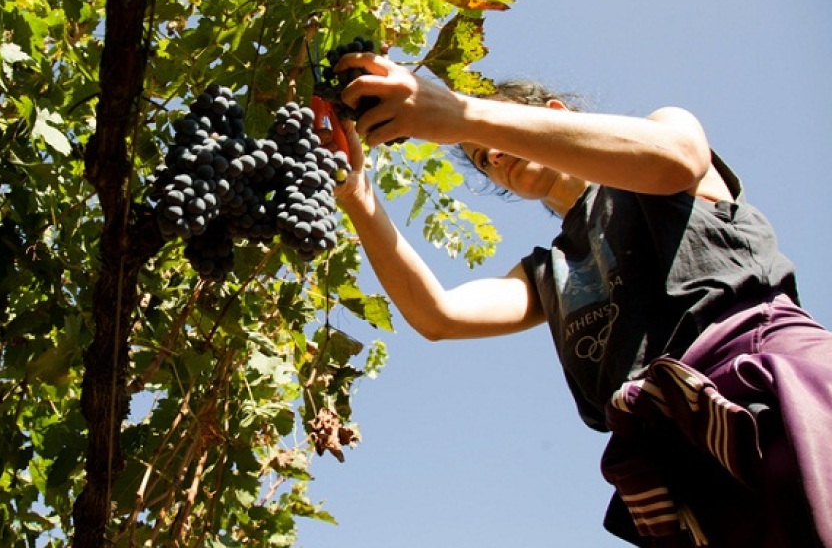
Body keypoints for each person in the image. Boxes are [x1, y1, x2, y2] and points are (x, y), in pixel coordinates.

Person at [328, 51, 832, 547]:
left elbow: (677, 160)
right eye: (483, 161)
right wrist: (357, 192)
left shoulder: (662, 132)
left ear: (553, 116)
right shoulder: (551, 270)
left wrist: (464, 116)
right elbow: (439, 315)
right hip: (683, 472)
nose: (494, 158)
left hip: (765, 385)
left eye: (491, 144)